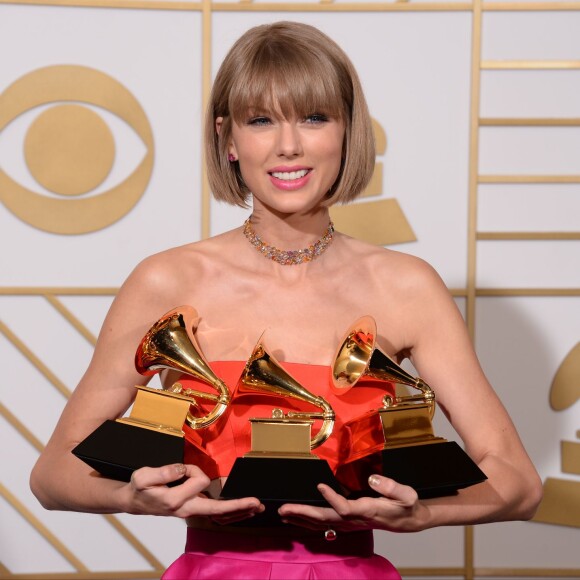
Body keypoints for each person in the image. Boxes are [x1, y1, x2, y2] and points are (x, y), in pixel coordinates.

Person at [30, 21, 543, 579]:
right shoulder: (165, 280)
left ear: (348, 132)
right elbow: (53, 474)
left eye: (314, 117)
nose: (288, 145)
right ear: (228, 138)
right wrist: (135, 497)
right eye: (261, 121)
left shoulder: (406, 286)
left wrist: (421, 513)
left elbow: (517, 482)